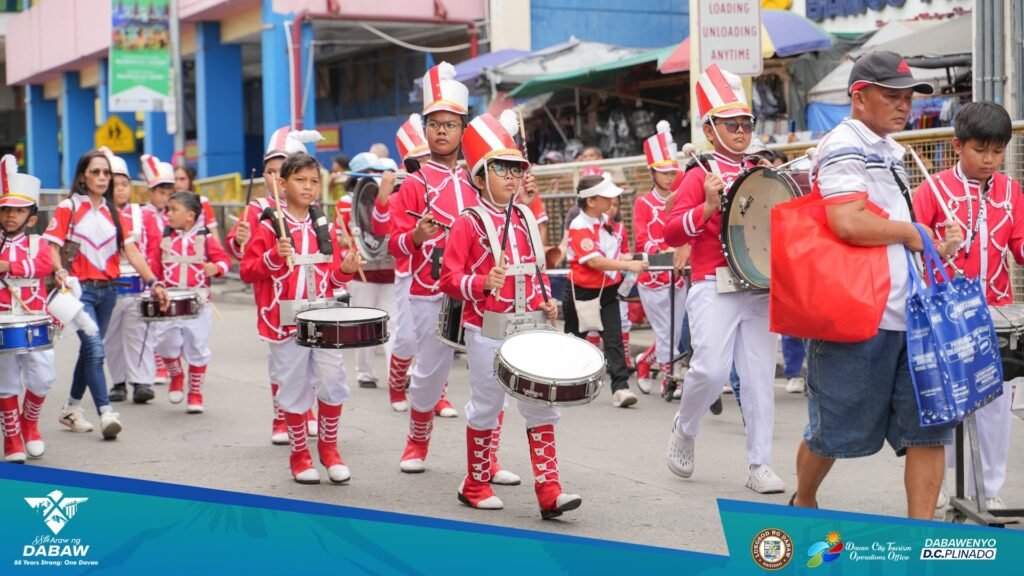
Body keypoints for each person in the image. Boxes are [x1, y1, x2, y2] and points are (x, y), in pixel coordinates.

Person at [791, 51, 963, 518]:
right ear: (858, 95)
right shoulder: (846, 142)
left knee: (929, 429)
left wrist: (930, 247)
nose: (903, 105)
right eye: (891, 95)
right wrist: (913, 233)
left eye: (907, 96)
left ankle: (921, 539)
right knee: (831, 432)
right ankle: (803, 501)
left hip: (910, 314)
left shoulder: (889, 148)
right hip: (858, 315)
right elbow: (847, 221)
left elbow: (887, 231)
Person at [440, 110, 581, 518]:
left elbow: (535, 268)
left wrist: (546, 300)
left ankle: (549, 492)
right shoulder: (467, 222)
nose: (511, 176)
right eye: (500, 168)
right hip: (487, 328)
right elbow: (449, 279)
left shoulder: (523, 217)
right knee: (487, 406)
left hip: (530, 327)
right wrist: (481, 282)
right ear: (479, 177)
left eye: (515, 168)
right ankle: (475, 483)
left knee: (541, 405)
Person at [663, 64, 784, 494]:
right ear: (710, 130)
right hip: (711, 281)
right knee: (710, 370)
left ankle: (759, 464)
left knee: (757, 378)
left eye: (746, 123)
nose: (741, 130)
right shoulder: (697, 174)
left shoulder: (763, 169)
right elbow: (671, 231)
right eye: (731, 124)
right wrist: (707, 206)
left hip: (760, 286)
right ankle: (686, 424)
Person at [912, 101, 1022, 520]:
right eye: (981, 150)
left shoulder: (1012, 192)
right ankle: (940, 481)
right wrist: (941, 247)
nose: (990, 160)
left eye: (998, 151)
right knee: (946, 402)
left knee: (995, 402)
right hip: (945, 313)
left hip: (994, 310)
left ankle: (989, 489)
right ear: (958, 146)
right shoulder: (932, 190)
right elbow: (909, 250)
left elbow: (1020, 248)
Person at [240, 152, 363, 484]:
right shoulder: (269, 225)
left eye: (314, 181)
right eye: (300, 180)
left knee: (334, 380)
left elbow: (332, 278)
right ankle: (299, 454)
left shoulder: (322, 223)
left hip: (322, 317)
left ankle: (330, 449)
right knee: (293, 388)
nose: (308, 187)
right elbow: (248, 271)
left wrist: (346, 270)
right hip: (284, 321)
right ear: (282, 183)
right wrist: (270, 256)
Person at [390, 62, 479, 473]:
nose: (442, 131)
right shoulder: (413, 183)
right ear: (425, 131)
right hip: (430, 291)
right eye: (434, 124)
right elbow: (394, 242)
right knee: (429, 373)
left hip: (479, 290)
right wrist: (417, 238)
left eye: (450, 124)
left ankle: (486, 460)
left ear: (464, 129)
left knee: (487, 375)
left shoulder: (478, 182)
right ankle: (415, 442)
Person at [43, 150, 169, 439]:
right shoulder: (68, 208)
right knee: (96, 349)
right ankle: (106, 413)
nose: (102, 177)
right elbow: (51, 246)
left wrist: (154, 282)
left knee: (89, 350)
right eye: (95, 172)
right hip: (79, 291)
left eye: (106, 173)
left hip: (108, 291)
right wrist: (60, 271)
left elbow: (131, 250)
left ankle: (71, 408)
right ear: (83, 176)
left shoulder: (114, 211)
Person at [225, 127, 322, 443]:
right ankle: (282, 416)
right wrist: (239, 241)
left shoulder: (314, 213)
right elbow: (242, 253)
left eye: (280, 170)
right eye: (269, 171)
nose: (273, 177)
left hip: (309, 292)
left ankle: (305, 411)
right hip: (274, 293)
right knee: (283, 361)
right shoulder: (258, 210)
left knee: (311, 358)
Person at [563, 174, 648, 408]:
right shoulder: (579, 226)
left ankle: (620, 388)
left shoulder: (603, 221)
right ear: (591, 201)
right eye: (607, 196)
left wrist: (626, 258)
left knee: (614, 339)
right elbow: (594, 262)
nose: (612, 200)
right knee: (574, 339)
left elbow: (606, 255)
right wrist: (627, 265)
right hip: (581, 292)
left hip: (607, 291)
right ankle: (565, 383)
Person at [152, 192, 230, 413]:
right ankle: (176, 374)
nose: (168, 214)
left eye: (173, 210)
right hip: (169, 303)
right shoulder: (165, 239)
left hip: (198, 303)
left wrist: (217, 268)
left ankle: (195, 393)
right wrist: (156, 285)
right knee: (164, 342)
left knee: (197, 346)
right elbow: (155, 268)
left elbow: (223, 260)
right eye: (168, 210)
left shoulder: (205, 239)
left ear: (190, 215)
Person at [0, 156, 54, 461]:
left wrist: (8, 265)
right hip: (2, 324)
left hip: (34, 321)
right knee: (5, 380)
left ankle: (30, 424)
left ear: (31, 218)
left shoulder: (38, 243)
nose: (10, 216)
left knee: (43, 377)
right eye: (5, 209)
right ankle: (11, 439)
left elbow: (44, 266)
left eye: (19, 210)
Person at [102, 147, 163, 405]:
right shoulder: (99, 215)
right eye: (115, 185)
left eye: (125, 184)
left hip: (138, 286)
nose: (121, 190)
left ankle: (142, 382)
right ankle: (118, 381)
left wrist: (156, 281)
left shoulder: (143, 214)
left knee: (141, 335)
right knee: (111, 338)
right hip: (109, 287)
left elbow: (154, 250)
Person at [634, 120, 688, 396]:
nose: (669, 177)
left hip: (678, 277)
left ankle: (645, 362)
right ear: (652, 172)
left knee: (673, 333)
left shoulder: (682, 199)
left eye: (672, 172)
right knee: (667, 332)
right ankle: (671, 379)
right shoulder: (643, 203)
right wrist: (663, 250)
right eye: (663, 173)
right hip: (652, 277)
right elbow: (643, 240)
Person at [336, 151, 399, 389]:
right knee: (365, 323)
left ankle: (397, 372)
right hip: (362, 271)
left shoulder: (394, 198)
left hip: (391, 270)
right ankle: (365, 373)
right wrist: (349, 240)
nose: (374, 177)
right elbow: (341, 238)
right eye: (369, 173)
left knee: (392, 324)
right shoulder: (347, 201)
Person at [174, 164, 221, 245]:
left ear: (190, 180)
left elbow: (213, 231)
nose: (178, 183)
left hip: (199, 248)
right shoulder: (168, 204)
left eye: (182, 179)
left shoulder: (203, 201)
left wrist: (219, 253)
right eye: (175, 179)